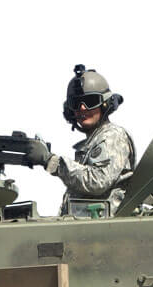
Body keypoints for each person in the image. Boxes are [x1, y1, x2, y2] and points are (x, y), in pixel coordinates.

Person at [27, 65, 135, 216]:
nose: (82, 109)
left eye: (90, 101)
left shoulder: (113, 135)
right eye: (76, 104)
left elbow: (98, 181)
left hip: (104, 230)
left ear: (105, 104)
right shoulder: (95, 140)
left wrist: (51, 161)